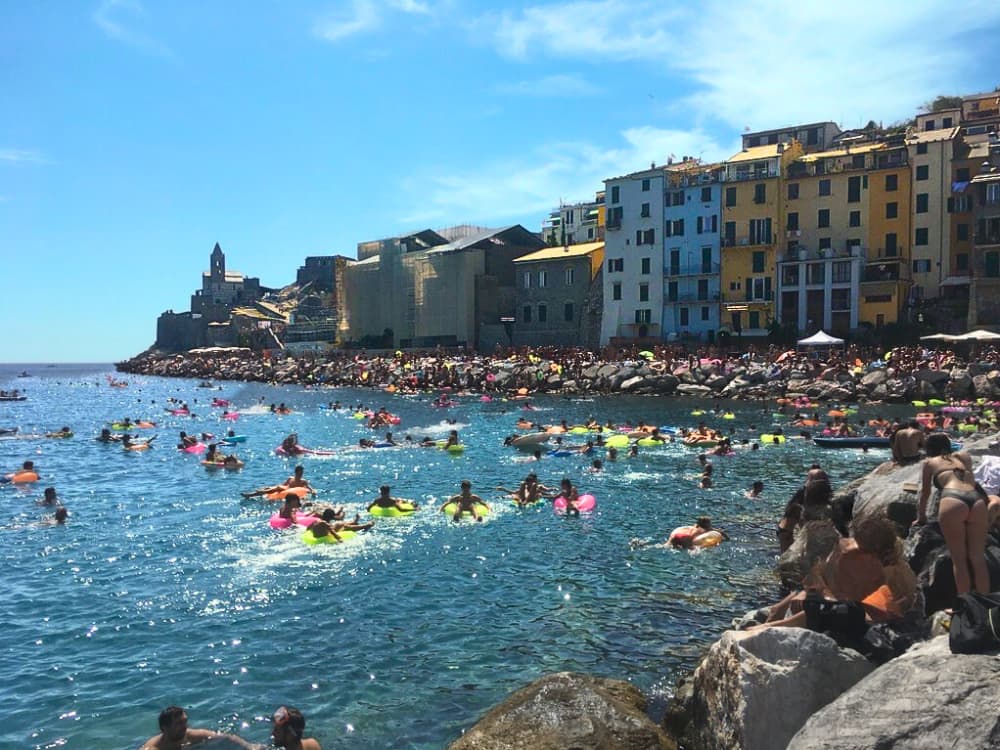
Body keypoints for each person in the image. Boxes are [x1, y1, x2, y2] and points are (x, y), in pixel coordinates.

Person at [915, 432, 990, 596]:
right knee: (978, 559)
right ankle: (986, 604)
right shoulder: (962, 457)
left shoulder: (929, 462)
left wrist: (921, 517)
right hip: (976, 501)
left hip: (953, 500)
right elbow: (972, 481)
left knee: (959, 560)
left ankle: (964, 604)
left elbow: (925, 493)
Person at [139, 706, 259, 750]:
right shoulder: (152, 748)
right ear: (165, 729)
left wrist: (250, 747)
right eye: (179, 724)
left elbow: (227, 738)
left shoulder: (190, 735)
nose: (184, 727)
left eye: (185, 722)